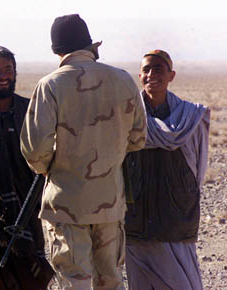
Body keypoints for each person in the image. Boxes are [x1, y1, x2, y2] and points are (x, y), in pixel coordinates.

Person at [20, 14, 147, 289]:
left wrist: (57, 165)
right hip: (111, 202)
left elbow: (35, 150)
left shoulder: (50, 85)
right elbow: (138, 138)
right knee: (110, 280)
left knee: (75, 280)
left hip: (66, 204)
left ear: (57, 50)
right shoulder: (123, 80)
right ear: (89, 44)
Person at [0, 45, 54, 290]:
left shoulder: (29, 109)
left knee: (30, 278)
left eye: (8, 69)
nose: (4, 75)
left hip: (27, 208)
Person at [124, 50, 210, 290]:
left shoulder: (190, 117)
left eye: (158, 69)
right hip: (136, 221)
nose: (152, 74)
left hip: (176, 220)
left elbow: (197, 170)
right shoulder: (127, 117)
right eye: (147, 70)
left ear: (171, 75)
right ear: (139, 75)